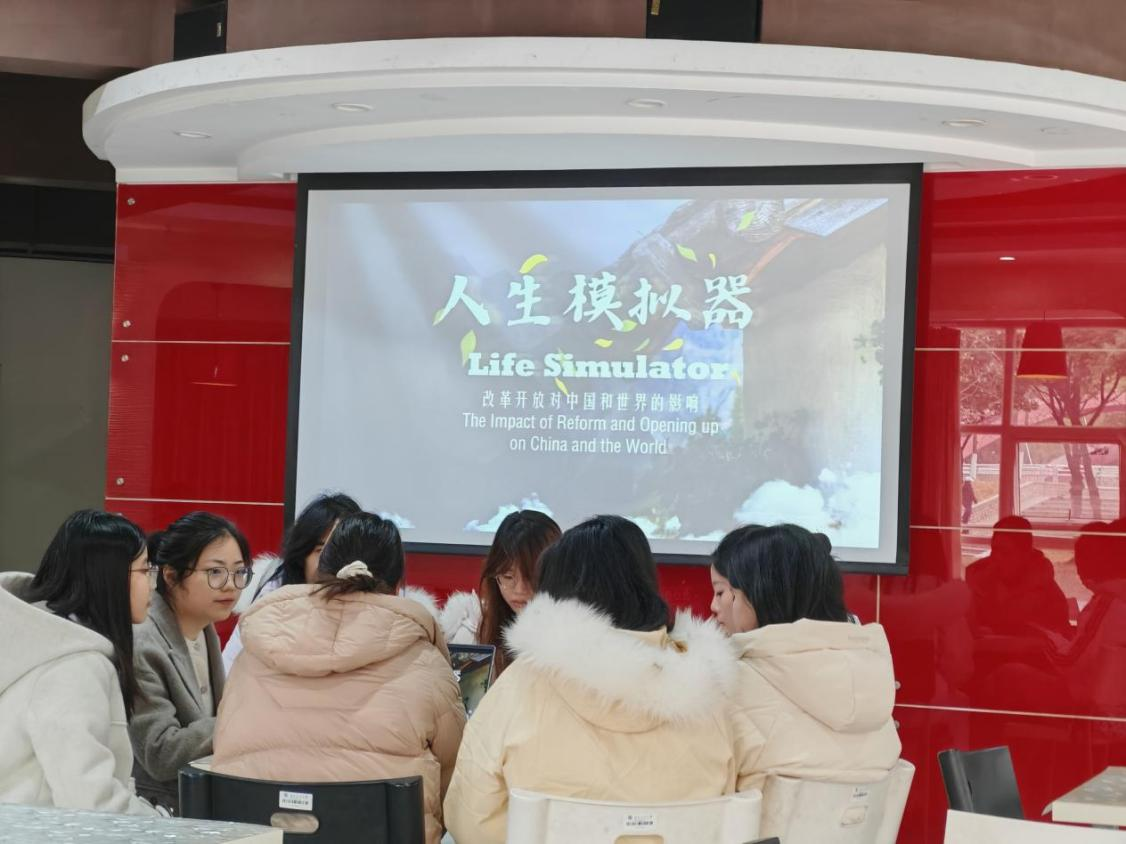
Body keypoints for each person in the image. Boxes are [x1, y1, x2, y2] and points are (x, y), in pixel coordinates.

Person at [444, 515, 755, 844]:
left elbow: (469, 821)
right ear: (645, 584)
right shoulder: (711, 693)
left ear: (556, 590)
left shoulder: (520, 685)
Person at [213, 512, 465, 844]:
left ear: (322, 571)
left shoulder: (252, 654)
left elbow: (224, 750)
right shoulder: (427, 666)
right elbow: (456, 784)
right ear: (397, 585)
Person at [710, 523, 901, 789]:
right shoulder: (875, 683)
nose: (715, 606)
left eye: (723, 593)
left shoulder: (730, 685)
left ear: (760, 593)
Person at [0, 510, 159, 815]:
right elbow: (92, 801)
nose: (152, 584)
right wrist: (160, 826)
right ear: (107, 576)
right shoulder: (74, 667)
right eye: (144, 570)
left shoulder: (43, 641)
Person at [130, 512, 252, 812]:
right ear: (171, 576)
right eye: (215, 572)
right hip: (154, 810)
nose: (231, 585)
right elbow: (160, 753)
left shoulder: (204, 627)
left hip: (197, 801)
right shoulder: (143, 642)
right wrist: (242, 719)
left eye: (239, 571)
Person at [222, 492, 361, 672]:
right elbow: (230, 667)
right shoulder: (271, 598)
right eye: (320, 551)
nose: (329, 563)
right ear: (302, 556)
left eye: (340, 551)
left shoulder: (374, 608)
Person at [439, 510, 560, 675]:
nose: (519, 590)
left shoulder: (574, 636)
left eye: (531, 577)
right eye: (508, 577)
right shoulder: (473, 632)